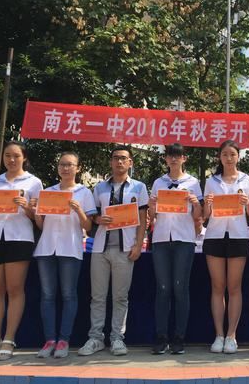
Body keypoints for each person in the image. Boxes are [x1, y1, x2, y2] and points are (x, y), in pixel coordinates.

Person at [78, 145, 149, 357]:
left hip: (125, 249)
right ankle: (95, 338)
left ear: (130, 162)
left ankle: (117, 338)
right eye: (116, 158)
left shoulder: (139, 187)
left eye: (123, 158)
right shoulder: (99, 187)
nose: (119, 162)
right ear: (111, 162)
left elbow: (143, 219)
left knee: (120, 297)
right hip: (100, 248)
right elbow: (92, 216)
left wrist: (138, 244)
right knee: (97, 297)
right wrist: (99, 219)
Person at [0, 141, 43, 360]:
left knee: (15, 290)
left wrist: (27, 207)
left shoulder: (34, 182)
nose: (11, 160)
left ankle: (9, 339)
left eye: (16, 155)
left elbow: (38, 217)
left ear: (24, 157)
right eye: (7, 156)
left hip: (19, 238)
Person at [33, 152, 96, 359]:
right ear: (58, 167)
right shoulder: (47, 192)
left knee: (69, 294)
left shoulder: (84, 192)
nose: (66, 168)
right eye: (62, 164)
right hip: (46, 248)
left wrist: (78, 210)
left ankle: (64, 340)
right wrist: (37, 213)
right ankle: (49, 339)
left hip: (70, 247)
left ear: (78, 168)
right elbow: (41, 225)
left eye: (70, 165)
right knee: (47, 295)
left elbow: (88, 226)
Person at [203, 140, 249, 354]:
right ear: (220, 157)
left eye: (232, 154)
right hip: (215, 235)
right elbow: (205, 216)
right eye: (225, 154)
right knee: (218, 287)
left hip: (238, 235)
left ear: (238, 157)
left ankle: (231, 335)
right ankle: (219, 335)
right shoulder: (212, 181)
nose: (228, 158)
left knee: (234, 287)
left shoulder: (247, 180)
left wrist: (247, 203)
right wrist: (208, 204)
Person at [148, 143, 203, 355]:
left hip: (184, 239)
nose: (173, 159)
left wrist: (195, 203)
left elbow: (198, 215)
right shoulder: (158, 182)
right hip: (161, 239)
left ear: (184, 159)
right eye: (170, 156)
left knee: (180, 288)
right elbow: (152, 216)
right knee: (163, 289)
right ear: (165, 159)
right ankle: (161, 337)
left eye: (177, 156)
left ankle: (180, 337)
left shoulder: (193, 183)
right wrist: (152, 206)